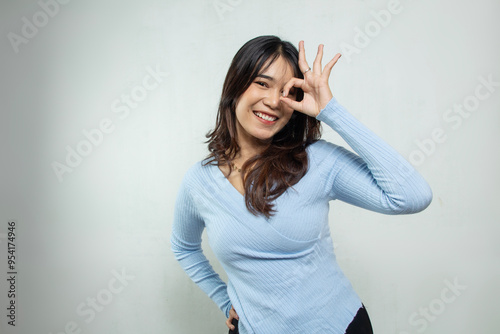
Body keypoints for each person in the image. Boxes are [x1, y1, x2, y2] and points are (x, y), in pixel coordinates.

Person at [170, 35, 432, 334]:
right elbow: (184, 248)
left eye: (286, 91)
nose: (272, 101)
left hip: (337, 326)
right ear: (235, 85)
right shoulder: (199, 182)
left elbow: (412, 196)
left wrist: (330, 110)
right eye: (262, 83)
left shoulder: (318, 161)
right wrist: (222, 298)